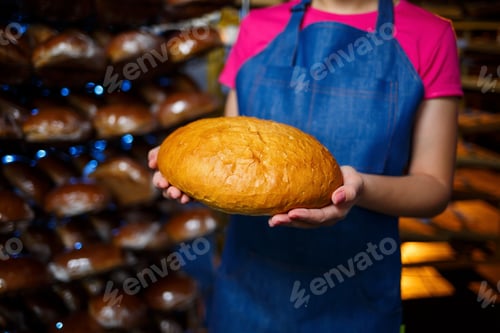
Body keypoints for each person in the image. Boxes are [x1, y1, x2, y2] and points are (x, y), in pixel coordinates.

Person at [148, 0, 463, 331]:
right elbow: (232, 150)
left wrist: (360, 188)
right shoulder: (258, 26)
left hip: (355, 298)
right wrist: (201, 180)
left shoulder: (430, 34)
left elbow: (435, 188)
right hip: (248, 291)